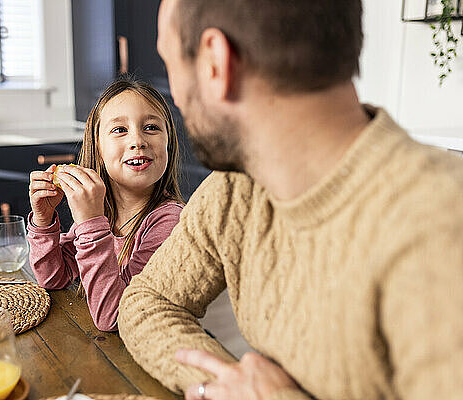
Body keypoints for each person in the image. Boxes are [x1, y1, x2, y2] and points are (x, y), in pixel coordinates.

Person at [118, 0, 463, 399]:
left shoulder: (440, 228)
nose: (173, 93)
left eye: (170, 61)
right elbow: (147, 301)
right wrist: (220, 387)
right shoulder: (237, 188)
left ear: (216, 62)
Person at [27, 77, 184, 332]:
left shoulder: (169, 221)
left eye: (152, 127)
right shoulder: (104, 212)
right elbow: (53, 278)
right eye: (120, 130)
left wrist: (90, 223)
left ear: (169, 142)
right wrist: (44, 222)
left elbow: (116, 317)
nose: (138, 141)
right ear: (98, 148)